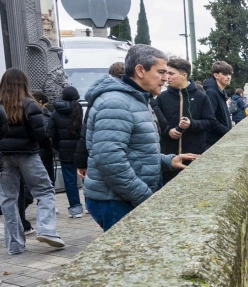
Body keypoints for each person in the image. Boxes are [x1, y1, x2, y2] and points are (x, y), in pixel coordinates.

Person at [83, 45, 198, 232]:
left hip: (124, 197)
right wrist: (145, 196)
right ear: (140, 70)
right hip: (115, 200)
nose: (166, 78)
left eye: (168, 73)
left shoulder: (137, 99)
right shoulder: (116, 102)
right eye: (161, 72)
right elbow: (110, 161)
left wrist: (169, 161)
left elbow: (137, 152)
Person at [0, 68, 64, 252]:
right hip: (27, 154)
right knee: (44, 191)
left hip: (3, 157)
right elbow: (38, 133)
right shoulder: (29, 104)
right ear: (24, 84)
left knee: (8, 200)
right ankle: (47, 230)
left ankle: (15, 245)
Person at [155, 58, 219, 184]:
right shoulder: (162, 98)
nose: (167, 77)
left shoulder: (201, 97)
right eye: (166, 73)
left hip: (194, 157)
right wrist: (168, 132)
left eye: (171, 73)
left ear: (184, 75)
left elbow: (211, 122)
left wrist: (192, 124)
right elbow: (156, 124)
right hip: (169, 160)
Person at [50, 86, 85, 218]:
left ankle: (76, 209)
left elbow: (52, 132)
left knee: (70, 180)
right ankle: (89, 204)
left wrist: (58, 147)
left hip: (64, 151)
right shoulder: (79, 109)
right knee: (86, 176)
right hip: (81, 148)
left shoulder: (55, 111)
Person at [203, 61, 233, 149]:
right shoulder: (212, 93)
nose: (228, 77)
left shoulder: (220, 92)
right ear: (216, 75)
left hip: (220, 139)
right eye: (225, 74)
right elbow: (210, 119)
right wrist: (227, 131)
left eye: (229, 74)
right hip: (213, 141)